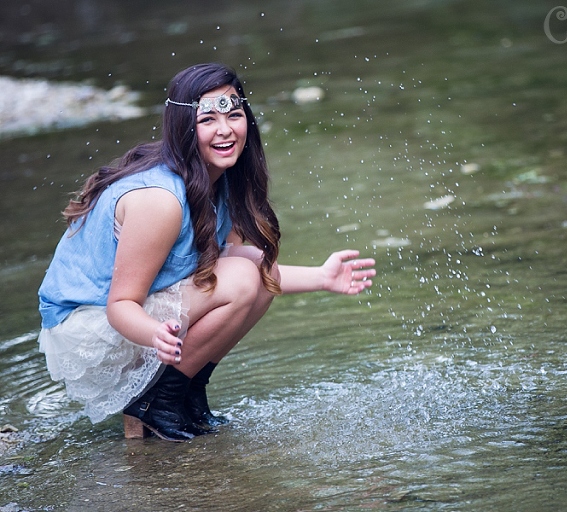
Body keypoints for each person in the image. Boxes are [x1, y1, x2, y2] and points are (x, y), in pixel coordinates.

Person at [37, 63, 376, 442]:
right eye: (208, 120)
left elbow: (242, 272)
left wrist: (323, 278)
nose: (225, 130)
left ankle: (183, 395)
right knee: (246, 274)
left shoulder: (223, 182)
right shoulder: (159, 201)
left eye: (234, 115)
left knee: (256, 267)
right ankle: (153, 403)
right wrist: (154, 333)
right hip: (91, 331)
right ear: (184, 126)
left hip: (143, 323)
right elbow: (121, 305)